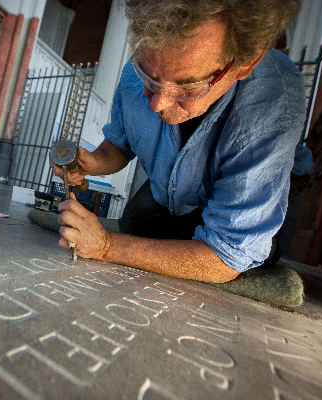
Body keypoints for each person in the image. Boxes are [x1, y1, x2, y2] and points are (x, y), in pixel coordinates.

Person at [49, 0, 306, 283]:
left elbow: (226, 256)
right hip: (167, 192)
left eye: (187, 85)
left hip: (237, 194)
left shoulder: (272, 103)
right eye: (151, 77)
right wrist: (94, 162)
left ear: (245, 63)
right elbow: (121, 145)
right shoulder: (139, 66)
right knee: (136, 225)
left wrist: (107, 246)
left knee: (250, 259)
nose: (158, 104)